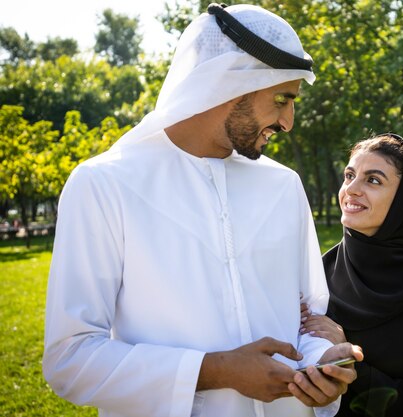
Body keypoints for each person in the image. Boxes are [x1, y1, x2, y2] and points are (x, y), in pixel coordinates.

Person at [42, 4, 363, 417]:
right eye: (282, 99)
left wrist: (321, 362)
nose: (289, 122)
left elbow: (305, 322)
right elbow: (71, 358)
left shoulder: (283, 186)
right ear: (228, 83)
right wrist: (215, 371)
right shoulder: (105, 185)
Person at [300, 134, 403, 416]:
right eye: (349, 175)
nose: (351, 189)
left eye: (373, 180)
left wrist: (348, 363)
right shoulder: (316, 273)